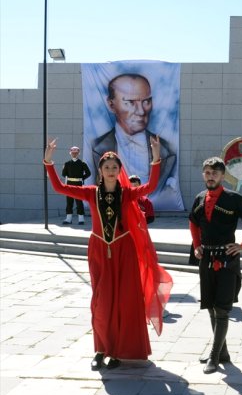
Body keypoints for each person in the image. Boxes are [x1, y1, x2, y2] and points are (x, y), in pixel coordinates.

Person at [43, 137, 172, 371]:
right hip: (99, 249)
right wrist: (49, 162)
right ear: (100, 171)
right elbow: (59, 188)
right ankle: (101, 349)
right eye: (106, 167)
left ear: (119, 171)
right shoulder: (91, 193)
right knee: (101, 302)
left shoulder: (128, 193)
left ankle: (118, 352)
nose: (111, 171)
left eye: (114, 167)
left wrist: (155, 157)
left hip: (125, 250)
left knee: (125, 301)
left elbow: (151, 186)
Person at [189, 157, 242, 374]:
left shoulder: (234, 199)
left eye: (214, 173)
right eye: (207, 172)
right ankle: (222, 352)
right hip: (206, 258)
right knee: (211, 307)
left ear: (222, 176)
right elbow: (193, 222)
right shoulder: (199, 198)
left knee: (221, 309)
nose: (210, 176)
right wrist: (196, 246)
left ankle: (214, 356)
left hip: (227, 259)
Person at [91, 73, 180, 208]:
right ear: (111, 104)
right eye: (130, 102)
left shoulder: (167, 150)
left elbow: (152, 187)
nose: (141, 111)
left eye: (146, 101)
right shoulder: (97, 148)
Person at [61, 145, 91, 225]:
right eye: (73, 153)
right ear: (70, 153)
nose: (74, 154)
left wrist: (82, 178)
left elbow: (88, 173)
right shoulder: (67, 164)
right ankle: (68, 219)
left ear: (78, 153)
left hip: (78, 184)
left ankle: (81, 219)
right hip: (69, 185)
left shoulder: (82, 163)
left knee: (79, 201)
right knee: (69, 202)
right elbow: (64, 174)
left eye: (76, 153)